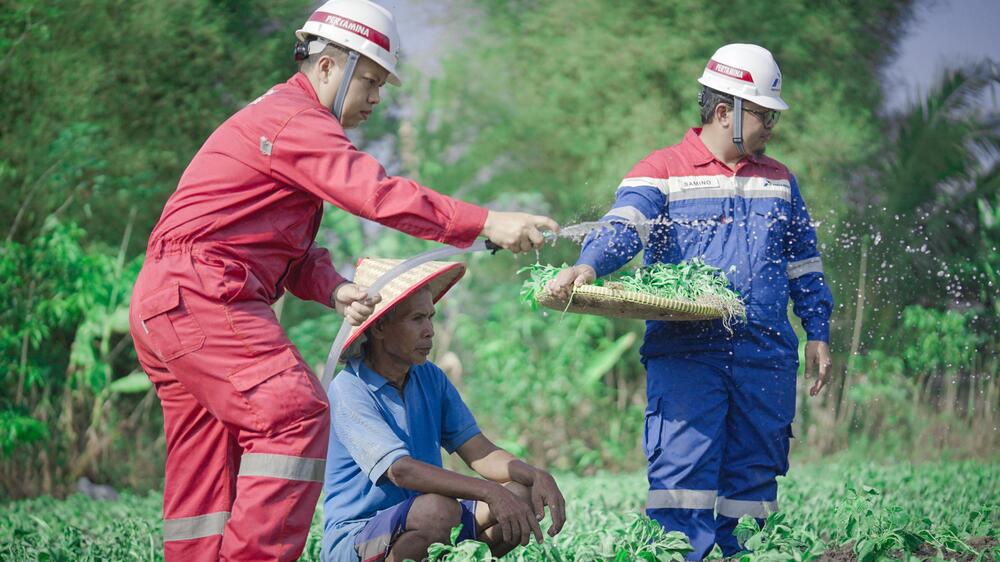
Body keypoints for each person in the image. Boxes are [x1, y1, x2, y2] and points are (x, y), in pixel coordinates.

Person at [127, 0, 557, 559]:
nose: (377, 97)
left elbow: (283, 247)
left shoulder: (279, 125)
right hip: (205, 291)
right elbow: (375, 194)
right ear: (329, 66)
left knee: (207, 468)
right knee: (294, 413)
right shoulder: (295, 120)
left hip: (170, 301)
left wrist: (331, 286)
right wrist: (486, 221)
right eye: (372, 80)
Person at [548, 43, 834, 559]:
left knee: (753, 486)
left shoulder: (779, 180)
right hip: (687, 356)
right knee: (682, 479)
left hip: (766, 357)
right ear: (726, 113)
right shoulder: (662, 170)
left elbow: (803, 262)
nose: (772, 125)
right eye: (764, 114)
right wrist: (589, 265)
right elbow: (625, 225)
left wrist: (817, 330)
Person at [322, 258, 566, 562]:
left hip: (427, 517)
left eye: (431, 318)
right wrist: (488, 491)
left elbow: (477, 449)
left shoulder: (430, 377)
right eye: (417, 319)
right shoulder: (349, 389)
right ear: (381, 326)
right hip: (360, 537)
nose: (430, 331)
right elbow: (401, 470)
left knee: (520, 495)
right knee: (438, 510)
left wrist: (534, 474)